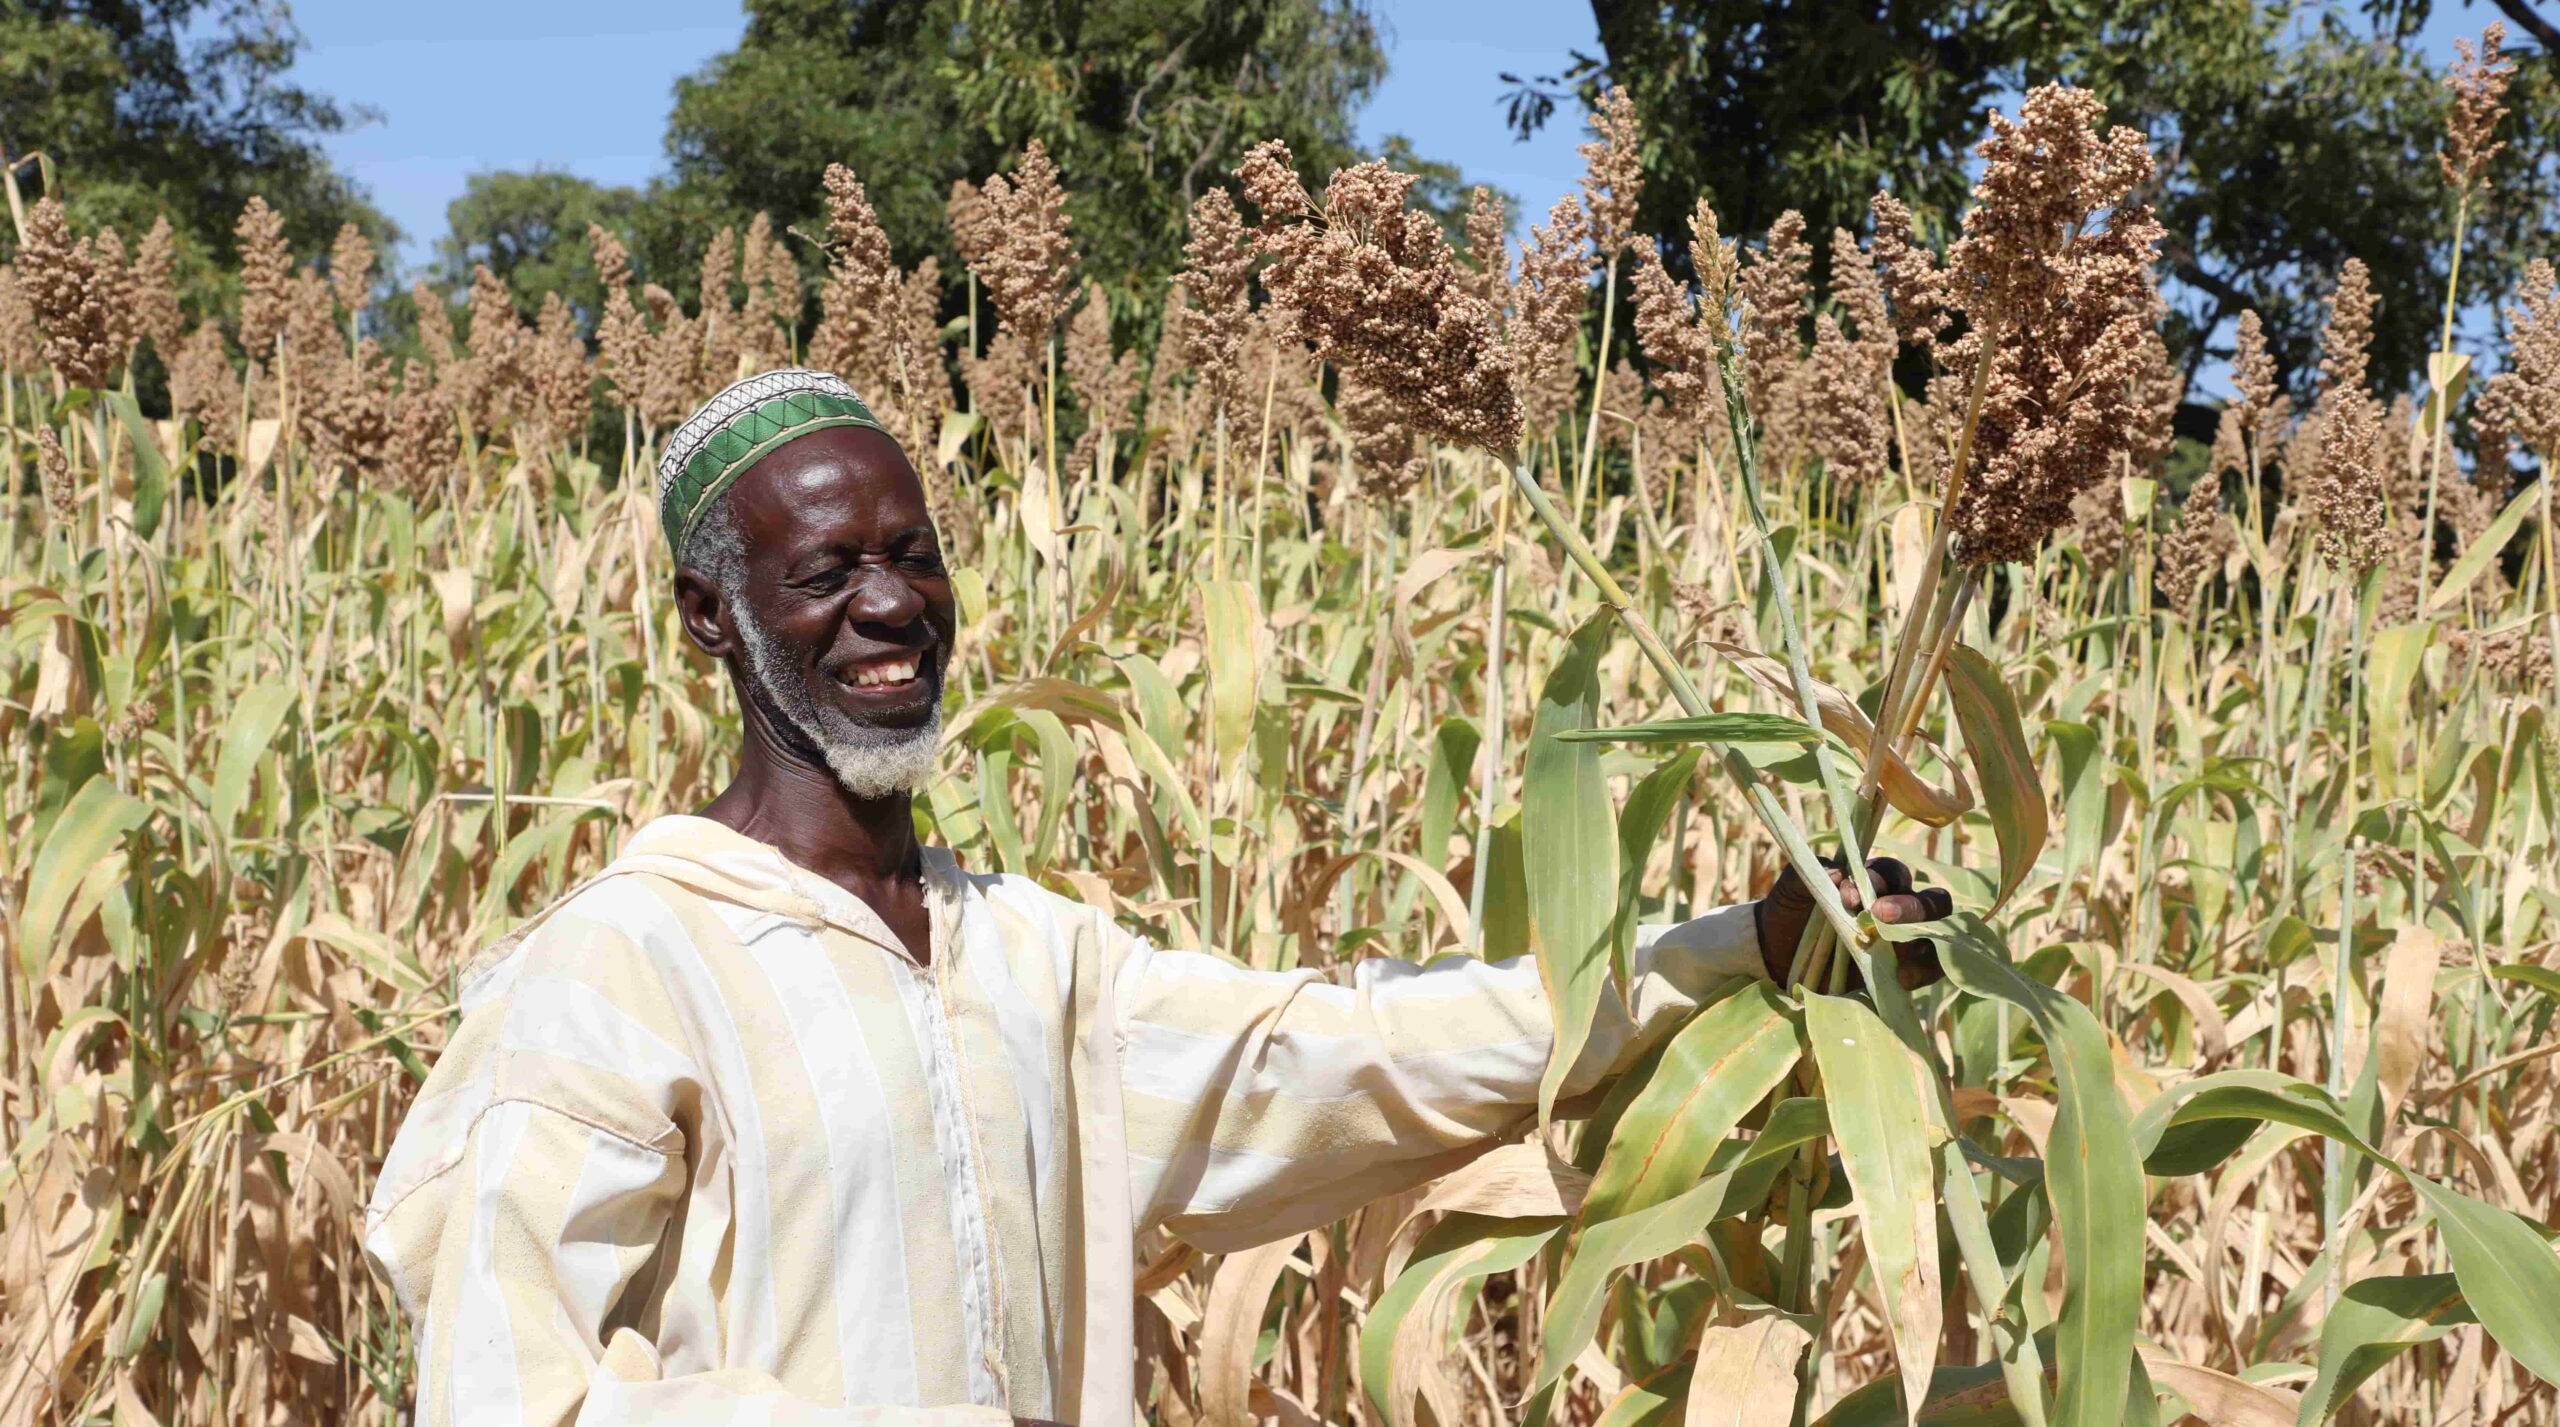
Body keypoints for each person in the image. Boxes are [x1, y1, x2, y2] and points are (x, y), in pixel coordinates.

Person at [363, 368, 1950, 1426]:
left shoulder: (1034, 960)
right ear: (714, 618)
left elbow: (1342, 1055)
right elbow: (509, 1383)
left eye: (916, 555)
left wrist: (1739, 948)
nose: (892, 606)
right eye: (827, 572)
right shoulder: (623, 968)